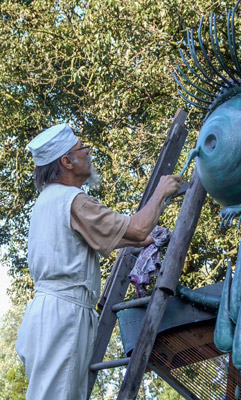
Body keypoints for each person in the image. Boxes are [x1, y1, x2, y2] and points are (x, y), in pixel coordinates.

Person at [16, 123, 182, 400]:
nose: (88, 151)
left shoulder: (48, 202)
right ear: (67, 162)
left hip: (47, 313)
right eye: (82, 148)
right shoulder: (74, 201)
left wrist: (147, 239)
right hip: (64, 316)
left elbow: (130, 236)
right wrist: (161, 192)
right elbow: (137, 229)